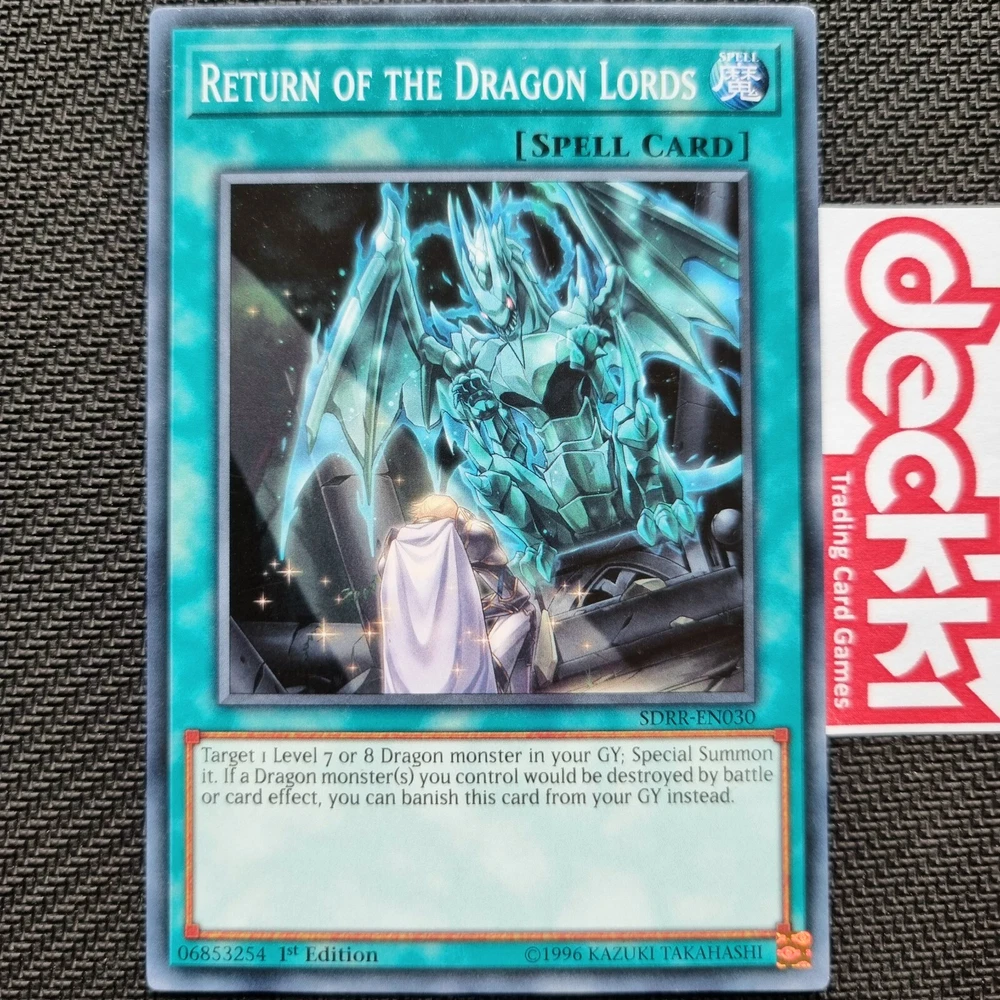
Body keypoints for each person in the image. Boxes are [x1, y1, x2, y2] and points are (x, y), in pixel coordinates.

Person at [377, 494, 538, 694]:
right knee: (526, 612)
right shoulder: (470, 535)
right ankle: (503, 692)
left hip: (413, 678)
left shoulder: (394, 549)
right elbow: (516, 598)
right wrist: (475, 611)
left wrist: (475, 609)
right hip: (460, 672)